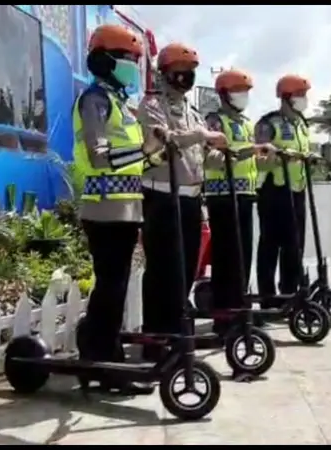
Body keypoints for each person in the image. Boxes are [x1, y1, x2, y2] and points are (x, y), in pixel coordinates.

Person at [72, 24, 159, 394]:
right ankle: (105, 363)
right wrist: (145, 150)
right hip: (103, 207)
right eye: (127, 59)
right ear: (103, 60)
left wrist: (155, 154)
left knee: (116, 287)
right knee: (111, 286)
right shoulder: (94, 100)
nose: (132, 66)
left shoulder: (121, 102)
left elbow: (136, 161)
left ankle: (98, 352)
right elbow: (100, 155)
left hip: (126, 209)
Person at [137, 42, 228, 361]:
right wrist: (202, 135)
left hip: (191, 198)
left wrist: (227, 153)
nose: (187, 78)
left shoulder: (191, 111)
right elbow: (166, 140)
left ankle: (176, 330)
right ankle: (155, 338)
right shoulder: (151, 105)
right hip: (161, 196)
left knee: (187, 269)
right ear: (166, 73)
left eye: (191, 73)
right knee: (163, 269)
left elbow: (202, 156)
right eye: (182, 72)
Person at [203, 69, 275, 335]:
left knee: (244, 256)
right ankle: (224, 316)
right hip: (222, 196)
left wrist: (263, 158)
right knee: (227, 258)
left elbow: (249, 160)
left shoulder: (245, 123)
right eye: (238, 91)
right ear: (223, 94)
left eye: (245, 91)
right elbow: (212, 159)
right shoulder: (215, 121)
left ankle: (239, 307)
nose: (243, 96)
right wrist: (246, 152)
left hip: (245, 196)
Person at [255, 74, 314, 308]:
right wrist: (278, 158)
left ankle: (289, 294)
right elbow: (259, 158)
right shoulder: (269, 123)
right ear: (287, 98)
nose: (304, 100)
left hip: (297, 190)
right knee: (270, 245)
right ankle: (267, 298)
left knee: (295, 245)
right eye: (300, 95)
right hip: (274, 192)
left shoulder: (302, 124)